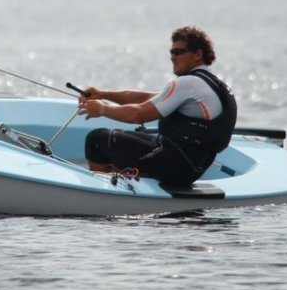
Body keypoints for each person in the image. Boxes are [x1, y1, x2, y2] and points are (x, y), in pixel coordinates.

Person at [77, 26, 237, 187]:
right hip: (192, 165)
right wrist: (104, 94)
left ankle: (107, 194)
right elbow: (146, 98)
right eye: (171, 52)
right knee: (118, 138)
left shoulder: (189, 83)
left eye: (178, 52)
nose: (172, 58)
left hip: (175, 166)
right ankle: (124, 183)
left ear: (197, 54)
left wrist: (103, 109)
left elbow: (138, 114)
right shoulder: (210, 84)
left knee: (97, 140)